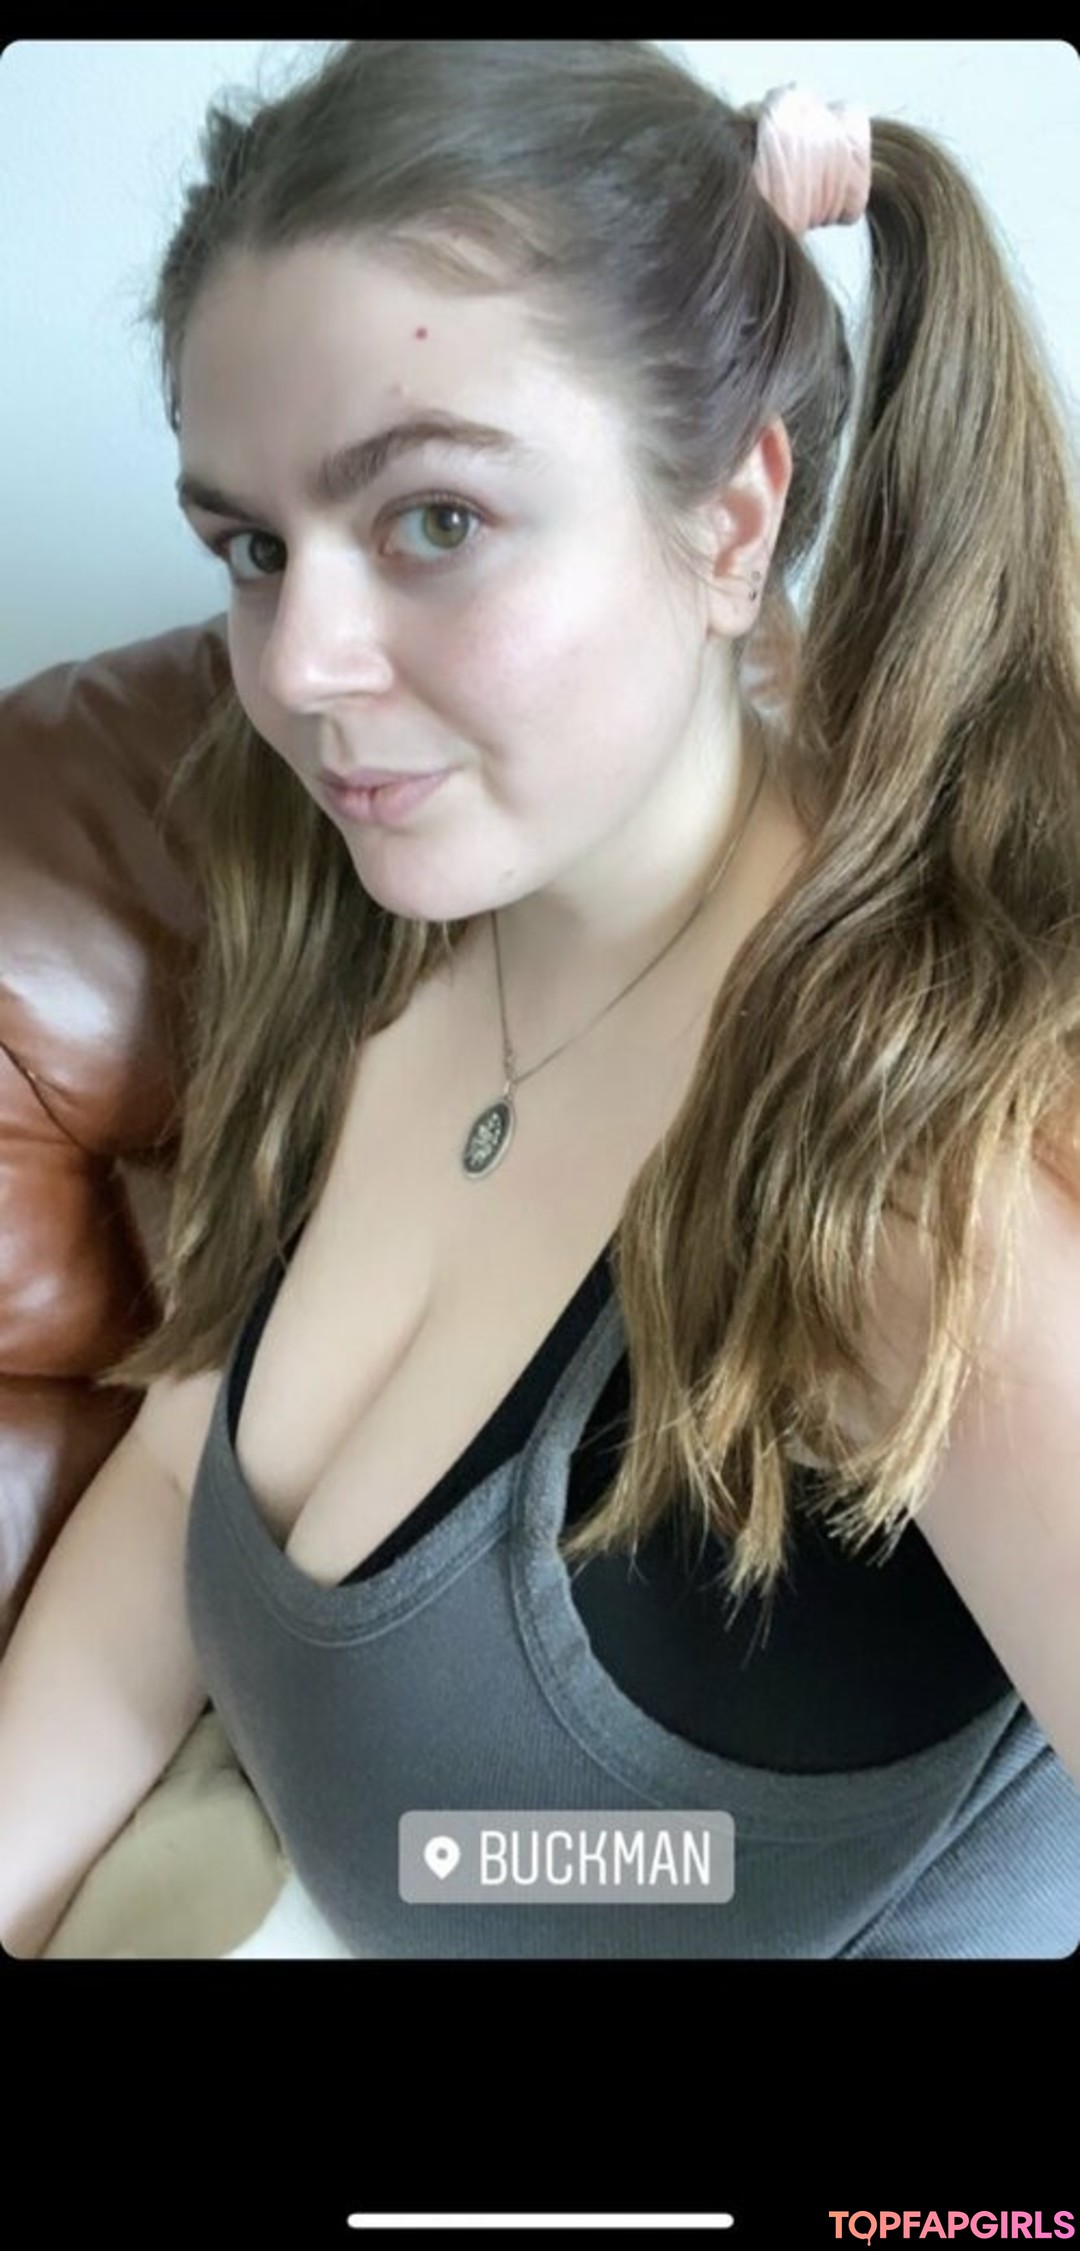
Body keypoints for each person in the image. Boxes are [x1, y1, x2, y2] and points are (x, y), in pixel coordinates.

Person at [1, 39, 1078, 1959]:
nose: (299, 666)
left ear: (731, 524)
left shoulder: (902, 1185)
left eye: (435, 519)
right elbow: (181, 1468)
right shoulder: (372, 915)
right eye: (251, 547)